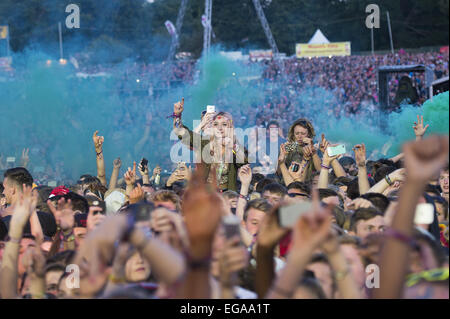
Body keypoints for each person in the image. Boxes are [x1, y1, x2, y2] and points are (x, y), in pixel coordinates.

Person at [172, 98, 249, 191]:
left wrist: (232, 146)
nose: (220, 128)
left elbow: (244, 162)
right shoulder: (205, 143)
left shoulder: (235, 147)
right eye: (216, 124)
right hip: (206, 195)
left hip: (228, 196)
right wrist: (177, 115)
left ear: (230, 127)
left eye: (224, 124)